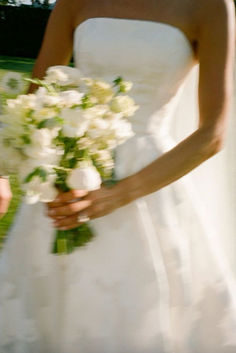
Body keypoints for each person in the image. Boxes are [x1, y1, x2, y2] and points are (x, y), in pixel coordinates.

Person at [0, 0, 236, 352]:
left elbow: (212, 134)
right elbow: (37, 95)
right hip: (67, 177)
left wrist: (117, 194)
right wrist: (3, 173)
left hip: (149, 183)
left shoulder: (210, 7)